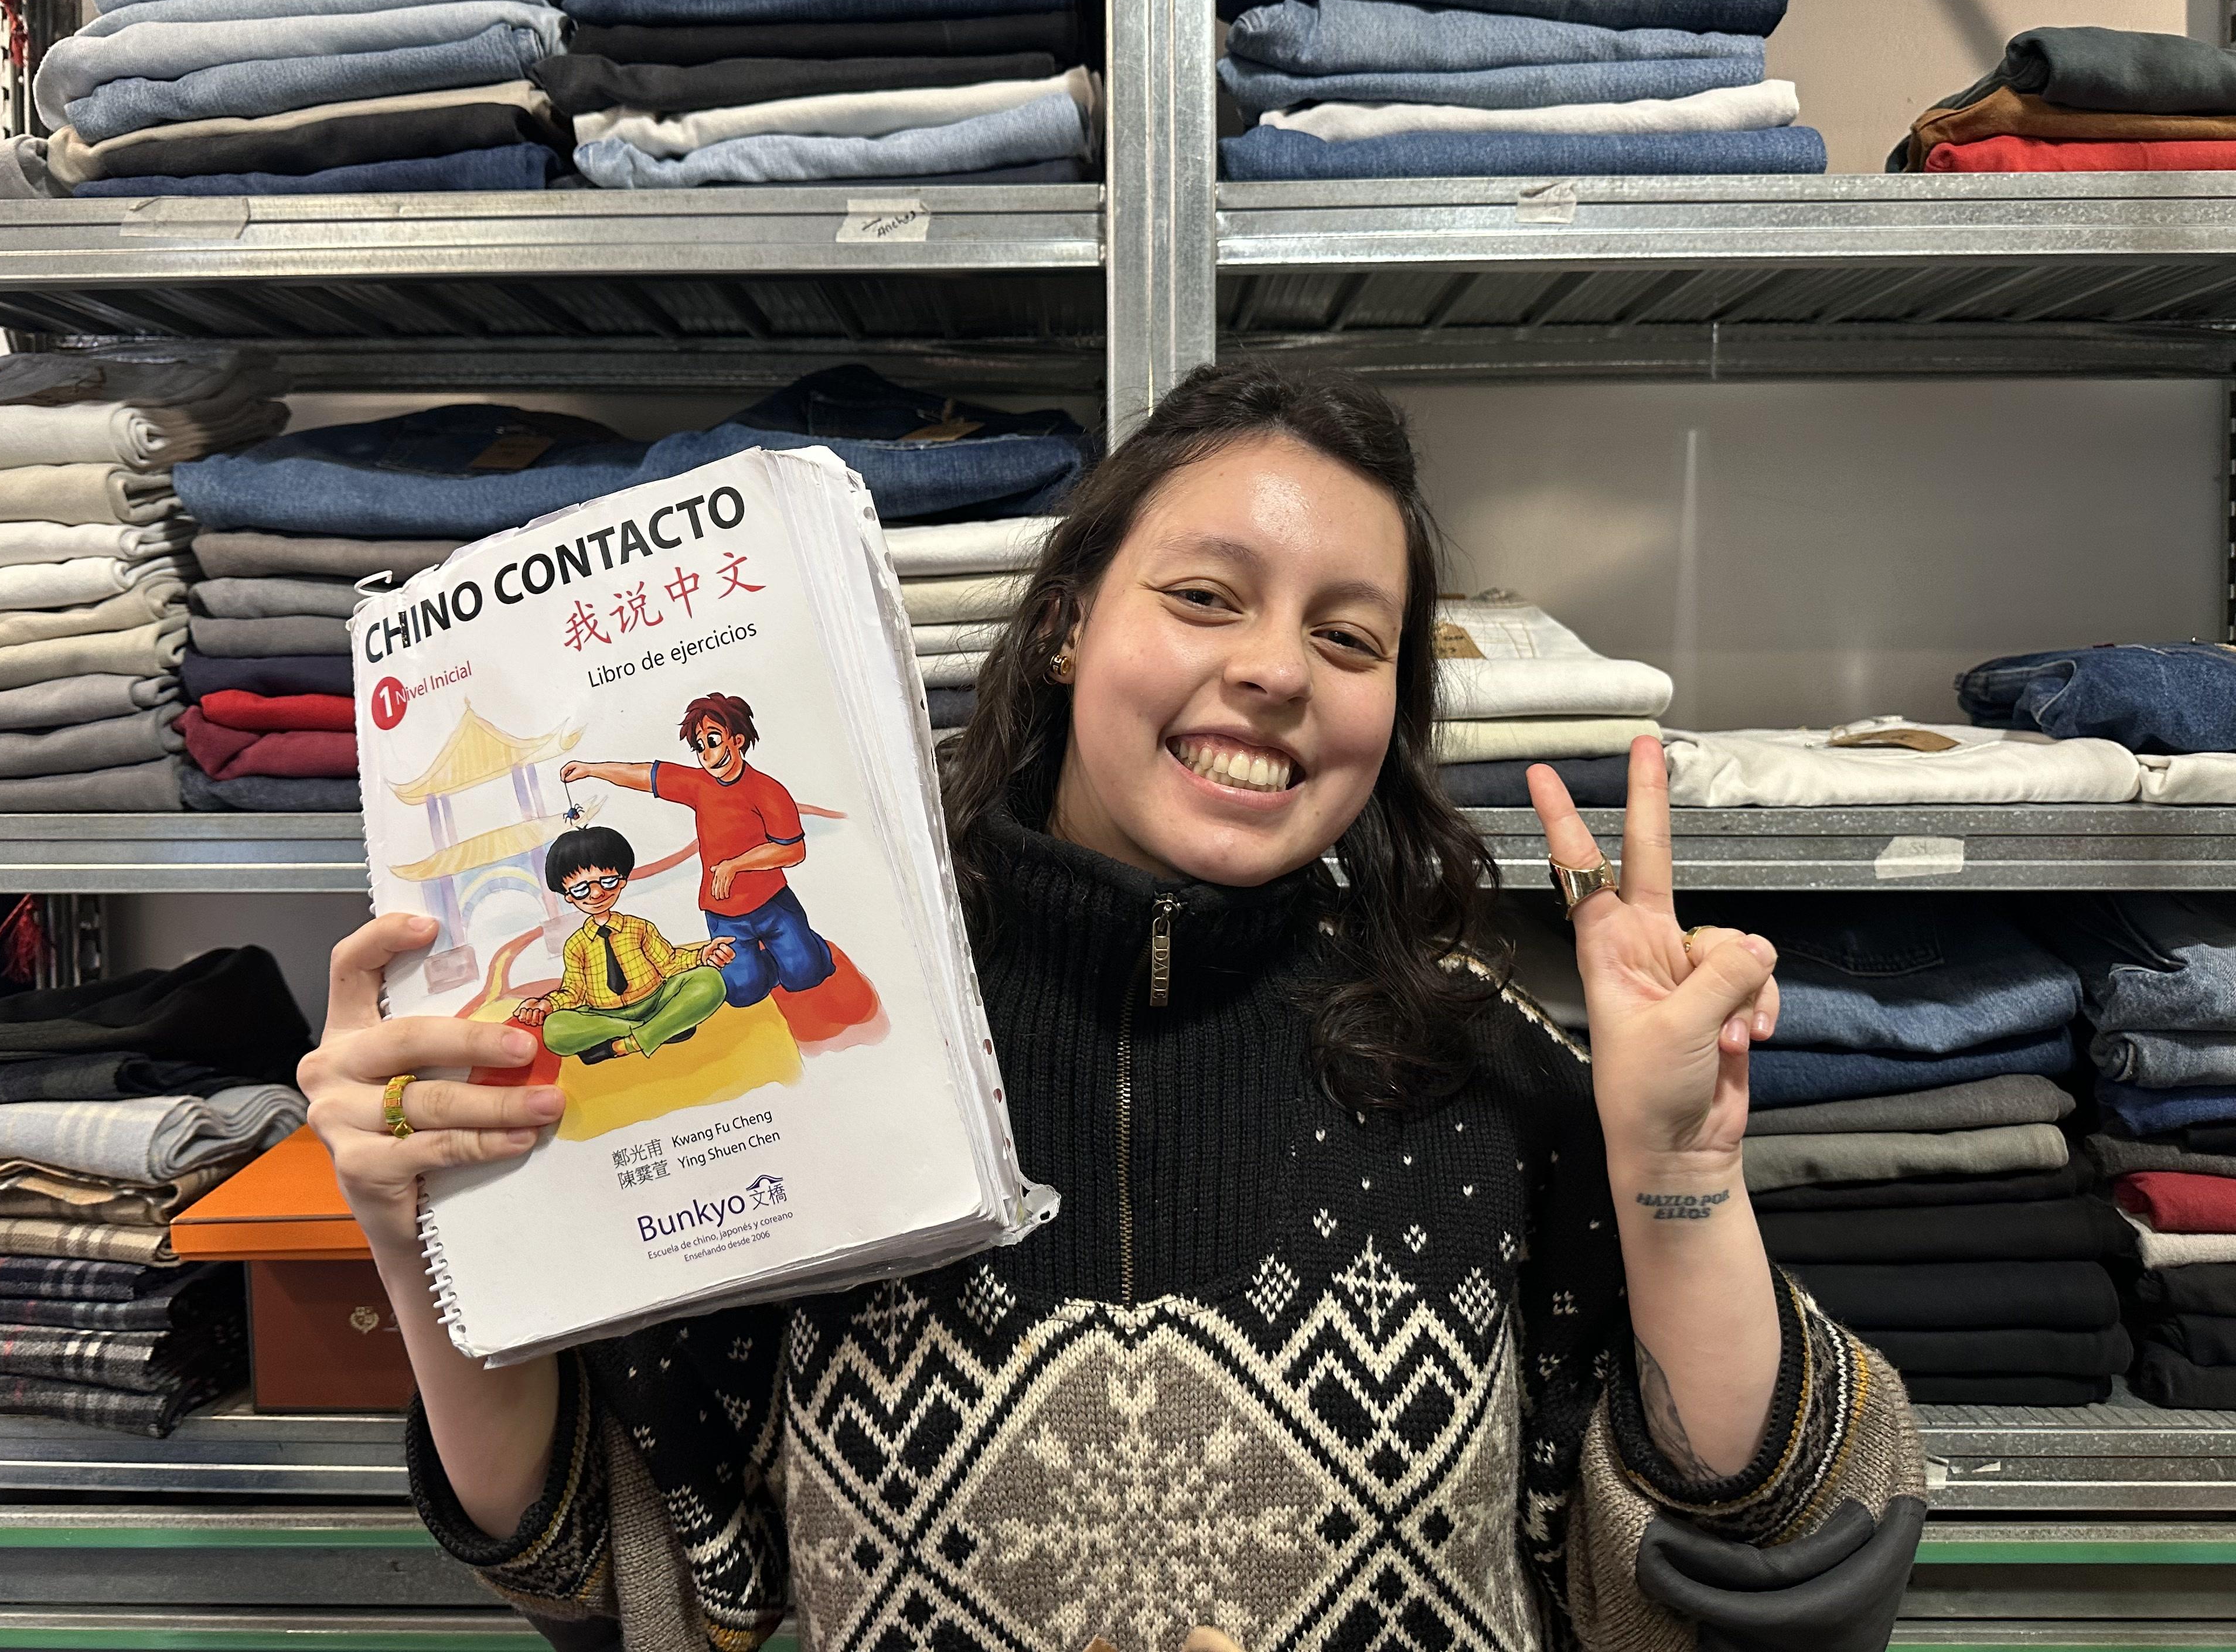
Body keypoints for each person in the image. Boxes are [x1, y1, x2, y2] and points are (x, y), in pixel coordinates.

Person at [301, 365, 1924, 1652]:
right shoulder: (840, 1073)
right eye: (1209, 597)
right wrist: (421, 1233)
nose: (1277, 669)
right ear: (1072, 621)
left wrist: (1681, 1176)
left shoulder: (1481, 1068)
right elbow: (600, 1551)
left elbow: (1786, 1544)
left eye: (1347, 636)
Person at [558, 692, 836, 1008]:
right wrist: (592, 769)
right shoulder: (699, 785)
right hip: (725, 914)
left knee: (806, 975)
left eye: (713, 741)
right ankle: (767, 962)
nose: (706, 754)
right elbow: (645, 774)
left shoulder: (768, 790)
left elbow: (794, 851)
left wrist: (735, 865)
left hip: (774, 904)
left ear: (737, 740)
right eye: (699, 746)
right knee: (744, 994)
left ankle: (801, 949)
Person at [513, 825, 734, 1063]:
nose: (596, 894)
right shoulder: (576, 946)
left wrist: (702, 955)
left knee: (710, 981)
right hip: (607, 1016)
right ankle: (660, 1028)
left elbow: (669, 963)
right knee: (555, 1030)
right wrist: (546, 1004)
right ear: (568, 896)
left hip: (656, 999)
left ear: (622, 881)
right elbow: (573, 992)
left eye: (607, 882)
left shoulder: (639, 928)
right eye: (581, 889)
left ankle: (626, 1043)